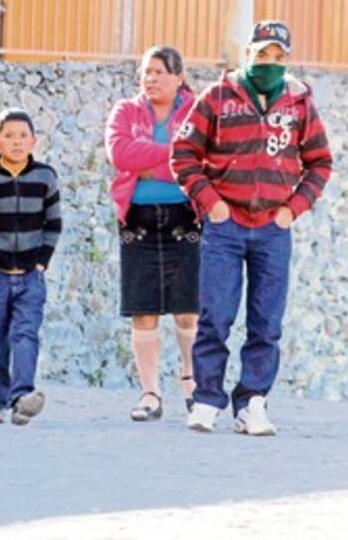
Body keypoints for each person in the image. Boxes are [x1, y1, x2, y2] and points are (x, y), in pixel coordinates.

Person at [171, 21, 332, 436]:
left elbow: (320, 163)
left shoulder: (299, 104)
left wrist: (292, 209)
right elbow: (184, 153)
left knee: (266, 322)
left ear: (288, 60)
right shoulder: (218, 97)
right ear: (248, 54)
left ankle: (253, 403)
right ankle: (206, 400)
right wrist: (212, 204)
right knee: (215, 316)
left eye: (279, 57)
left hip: (274, 229)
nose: (270, 63)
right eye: (263, 55)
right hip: (225, 228)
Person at [106, 46, 200, 421]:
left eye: (160, 71)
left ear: (178, 77)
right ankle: (150, 393)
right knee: (142, 310)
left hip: (186, 215)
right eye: (147, 71)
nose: (152, 78)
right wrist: (171, 157)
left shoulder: (196, 109)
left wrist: (149, 161)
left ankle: (193, 383)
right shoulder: (125, 111)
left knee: (188, 309)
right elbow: (120, 154)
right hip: (138, 217)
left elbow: (200, 157)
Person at [0, 108, 62, 425]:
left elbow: (53, 224)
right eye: (9, 136)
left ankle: (22, 398)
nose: (16, 142)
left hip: (31, 275)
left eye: (23, 136)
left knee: (25, 335)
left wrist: (42, 263)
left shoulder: (45, 177)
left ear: (34, 140)